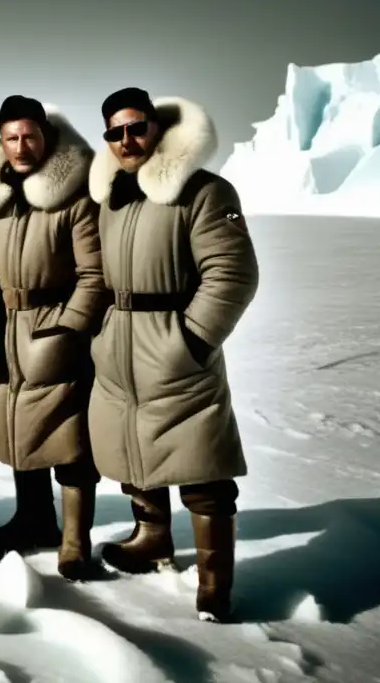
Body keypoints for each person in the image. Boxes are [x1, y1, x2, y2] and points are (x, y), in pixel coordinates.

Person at [86, 87, 260, 622]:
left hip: (174, 349)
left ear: (157, 129)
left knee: (201, 469)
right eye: (115, 132)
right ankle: (152, 541)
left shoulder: (203, 192)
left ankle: (214, 583)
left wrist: (191, 341)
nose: (126, 139)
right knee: (132, 453)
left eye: (136, 127)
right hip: (119, 348)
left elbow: (232, 274)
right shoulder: (113, 198)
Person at [0, 95, 110, 579]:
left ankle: (75, 539)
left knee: (69, 440)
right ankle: (32, 520)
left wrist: (68, 329)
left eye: (30, 136)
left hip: (54, 327)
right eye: (11, 138)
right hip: (9, 329)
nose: (21, 146)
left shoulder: (72, 198)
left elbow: (94, 276)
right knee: (19, 432)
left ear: (45, 137)